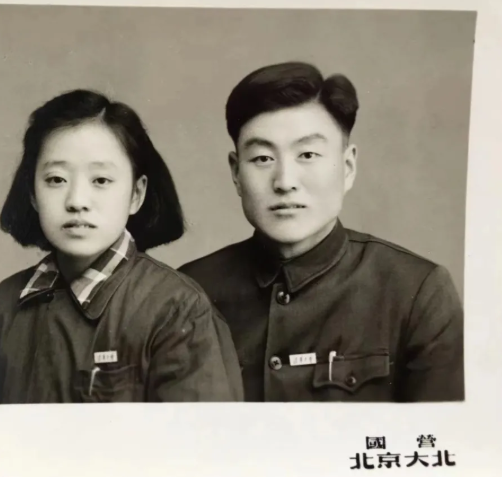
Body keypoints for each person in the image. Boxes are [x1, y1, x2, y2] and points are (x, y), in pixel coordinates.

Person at [179, 62, 464, 402]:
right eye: (263, 158)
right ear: (236, 173)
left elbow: (442, 430)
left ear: (347, 167)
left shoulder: (417, 292)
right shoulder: (188, 292)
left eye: (308, 154)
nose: (285, 182)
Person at [0, 89, 243, 404]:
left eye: (101, 180)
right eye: (56, 179)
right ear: (33, 194)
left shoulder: (177, 309)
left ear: (136, 194)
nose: (77, 201)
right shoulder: (6, 303)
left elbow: (200, 434)